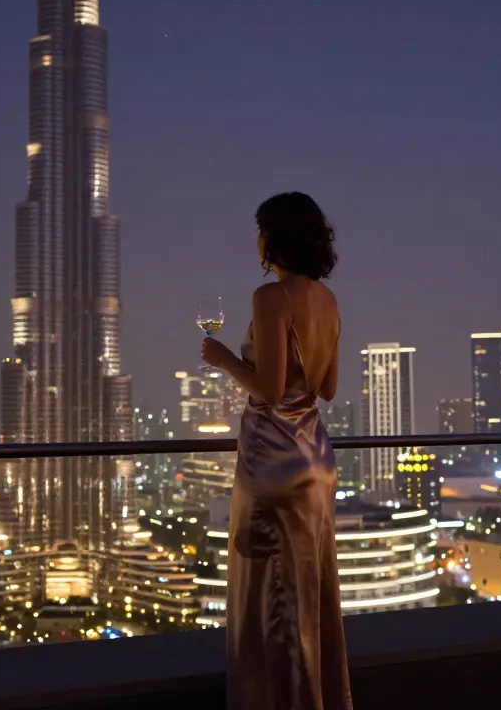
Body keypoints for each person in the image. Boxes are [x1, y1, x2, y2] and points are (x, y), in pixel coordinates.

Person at [201, 191, 352, 709]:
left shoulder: (270, 298)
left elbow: (267, 389)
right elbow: (327, 388)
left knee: (265, 599)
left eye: (260, 229)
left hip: (271, 460)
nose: (257, 239)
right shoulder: (328, 301)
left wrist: (222, 358)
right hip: (316, 459)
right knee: (309, 596)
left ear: (274, 237)